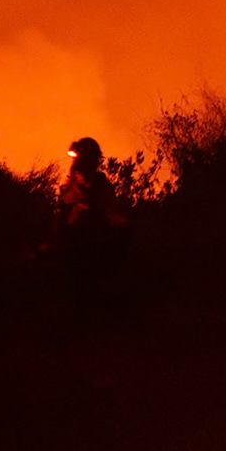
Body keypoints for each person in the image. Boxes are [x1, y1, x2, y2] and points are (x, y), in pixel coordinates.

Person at [59, 136, 131, 320]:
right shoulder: (75, 182)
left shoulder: (99, 183)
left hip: (91, 240)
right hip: (72, 240)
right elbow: (66, 210)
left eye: (81, 157)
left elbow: (107, 211)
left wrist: (118, 221)